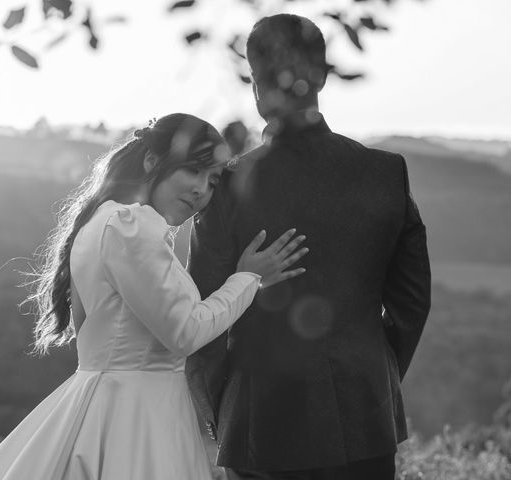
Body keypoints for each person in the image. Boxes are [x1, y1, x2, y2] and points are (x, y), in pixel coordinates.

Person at [0, 113, 308, 480]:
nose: (201, 191)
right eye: (193, 171)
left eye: (212, 181)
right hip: (137, 416)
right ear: (152, 161)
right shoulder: (131, 226)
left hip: (107, 404)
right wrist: (248, 278)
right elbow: (183, 334)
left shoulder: (106, 221)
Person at [185, 14, 432, 480]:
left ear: (255, 87)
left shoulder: (230, 184)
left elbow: (204, 311)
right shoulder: (386, 173)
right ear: (322, 76)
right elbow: (412, 303)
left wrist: (224, 406)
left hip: (260, 425)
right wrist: (376, 379)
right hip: (366, 420)